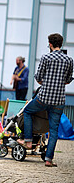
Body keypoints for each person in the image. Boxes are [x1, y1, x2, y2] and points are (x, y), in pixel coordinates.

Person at [17, 33, 73, 167]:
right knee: (54, 130)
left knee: (28, 111)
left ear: (50, 44)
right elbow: (68, 80)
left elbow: (38, 77)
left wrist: (46, 81)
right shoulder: (69, 60)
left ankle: (28, 140)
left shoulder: (46, 57)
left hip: (44, 97)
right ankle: (48, 159)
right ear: (61, 43)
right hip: (59, 100)